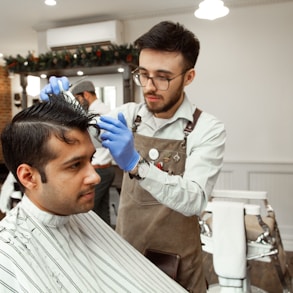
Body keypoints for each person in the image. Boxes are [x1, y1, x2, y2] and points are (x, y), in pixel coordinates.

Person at [41, 20, 226, 292]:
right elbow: (87, 130)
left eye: (162, 77)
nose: (149, 86)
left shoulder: (207, 129)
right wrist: (63, 103)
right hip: (126, 252)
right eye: (143, 73)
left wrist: (137, 165)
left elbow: (195, 199)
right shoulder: (129, 115)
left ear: (188, 77)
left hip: (175, 262)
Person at [0, 94, 188, 292]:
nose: (95, 177)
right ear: (29, 177)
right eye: (74, 165)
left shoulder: (83, 217)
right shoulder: (8, 254)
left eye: (91, 159)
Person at [70, 80, 115, 225]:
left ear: (86, 94)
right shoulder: (103, 110)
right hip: (105, 169)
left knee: (86, 216)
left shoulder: (98, 114)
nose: (77, 103)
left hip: (99, 170)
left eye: (77, 99)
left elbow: (90, 144)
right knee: (102, 214)